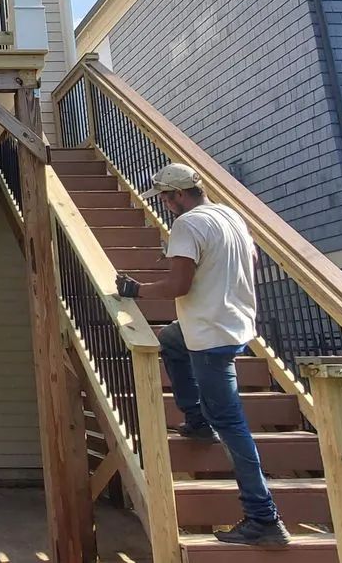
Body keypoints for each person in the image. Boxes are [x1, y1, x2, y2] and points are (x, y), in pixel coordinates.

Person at [117, 163, 288, 547]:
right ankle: (194, 418)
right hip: (234, 323)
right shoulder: (230, 215)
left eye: (165, 197)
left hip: (210, 338)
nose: (163, 203)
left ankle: (263, 517)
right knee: (172, 341)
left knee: (230, 424)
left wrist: (136, 290)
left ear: (179, 196)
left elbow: (179, 285)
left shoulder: (188, 225)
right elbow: (253, 261)